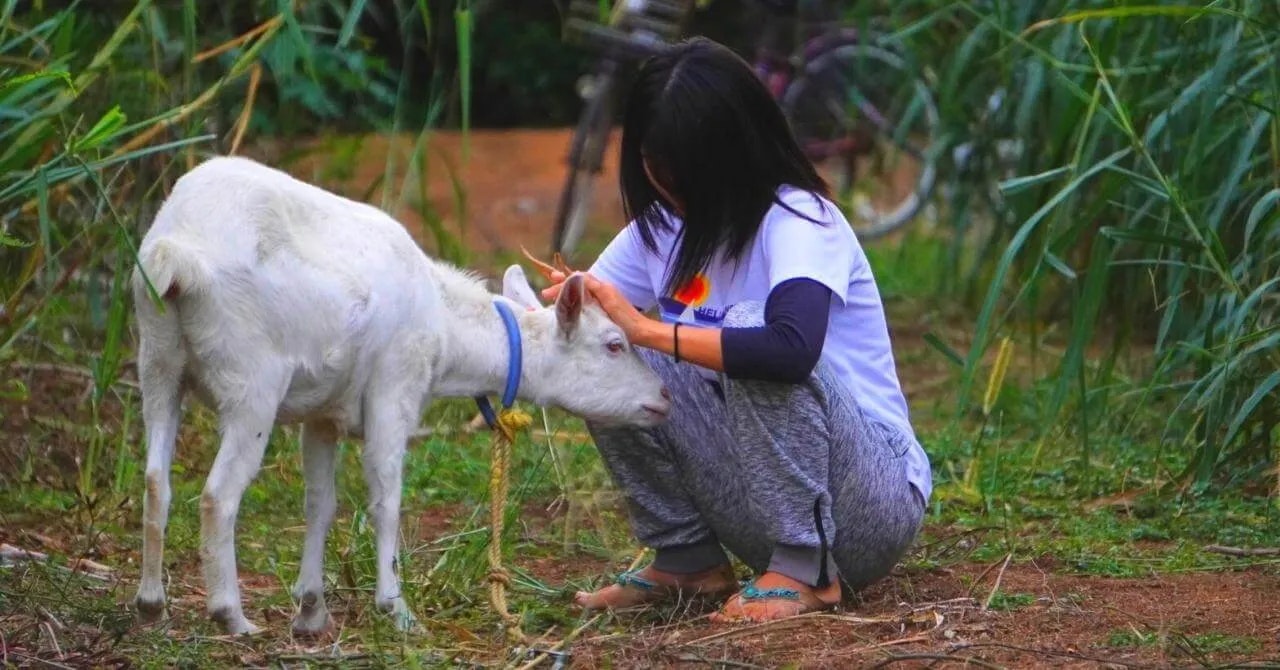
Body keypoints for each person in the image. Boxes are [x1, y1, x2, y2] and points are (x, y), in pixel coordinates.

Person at [539, 36, 931, 623]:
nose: (672, 186)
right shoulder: (660, 230)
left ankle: (806, 570)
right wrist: (563, 315)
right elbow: (580, 329)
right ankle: (687, 559)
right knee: (599, 344)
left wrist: (646, 331)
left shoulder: (800, 218)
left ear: (736, 153)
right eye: (657, 166)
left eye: (687, 171)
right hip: (756, 505)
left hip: (868, 504)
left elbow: (790, 350)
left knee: (753, 330)